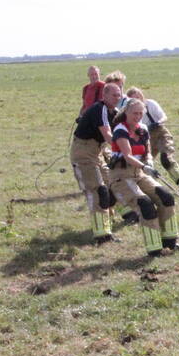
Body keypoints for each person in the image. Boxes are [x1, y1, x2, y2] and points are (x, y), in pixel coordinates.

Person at [107, 98, 179, 256]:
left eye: (141, 113)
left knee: (166, 197)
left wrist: (148, 162)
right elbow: (127, 156)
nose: (138, 116)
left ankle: (170, 242)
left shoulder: (143, 129)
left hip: (139, 173)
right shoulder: (120, 130)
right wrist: (144, 166)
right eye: (135, 113)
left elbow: (147, 151)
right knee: (145, 205)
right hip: (121, 176)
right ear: (126, 112)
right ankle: (154, 249)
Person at [71, 83, 122, 243]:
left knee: (110, 187)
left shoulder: (114, 112)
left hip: (97, 152)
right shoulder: (100, 109)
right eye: (114, 95)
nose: (118, 98)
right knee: (98, 190)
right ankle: (102, 235)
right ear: (104, 96)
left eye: (119, 94)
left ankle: (107, 223)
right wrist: (125, 150)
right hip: (83, 152)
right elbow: (108, 135)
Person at [125, 87, 179, 196]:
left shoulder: (150, 104)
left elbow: (164, 117)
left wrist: (157, 123)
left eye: (138, 97)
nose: (137, 101)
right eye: (133, 100)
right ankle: (152, 190)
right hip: (146, 139)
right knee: (145, 165)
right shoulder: (131, 114)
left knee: (166, 159)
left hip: (161, 133)